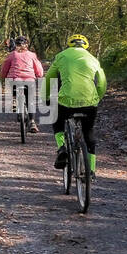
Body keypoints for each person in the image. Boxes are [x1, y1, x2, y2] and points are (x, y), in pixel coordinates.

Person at [42, 34, 106, 176]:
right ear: (86, 45)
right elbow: (102, 83)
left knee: (57, 120)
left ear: (70, 44)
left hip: (66, 102)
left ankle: (62, 148)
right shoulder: (93, 59)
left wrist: (45, 97)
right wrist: (97, 99)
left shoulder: (61, 56)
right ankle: (91, 170)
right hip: (89, 103)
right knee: (88, 131)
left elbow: (49, 78)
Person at [0, 35, 43, 133]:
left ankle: (15, 100)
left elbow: (4, 68)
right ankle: (32, 122)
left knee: (13, 88)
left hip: (15, 80)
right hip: (29, 80)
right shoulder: (32, 55)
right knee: (30, 100)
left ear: (15, 45)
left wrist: (3, 76)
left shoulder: (12, 55)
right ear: (26, 45)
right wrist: (39, 75)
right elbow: (39, 70)